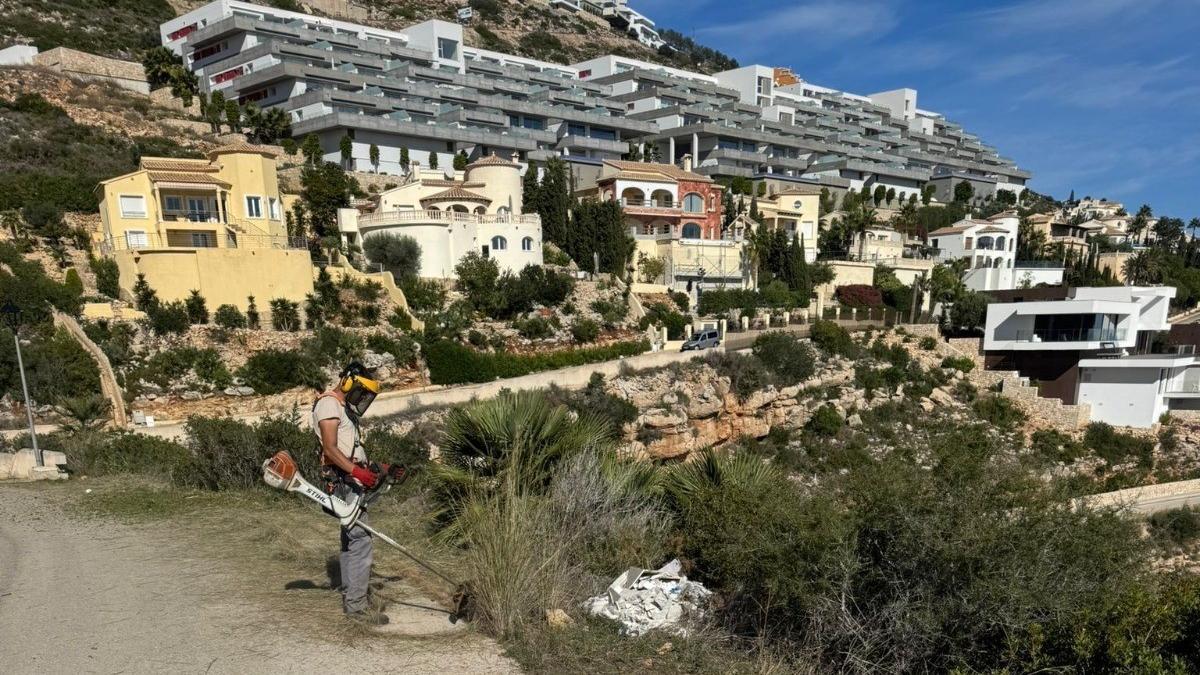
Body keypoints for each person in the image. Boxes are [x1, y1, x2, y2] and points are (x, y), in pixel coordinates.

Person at [312, 361, 386, 625]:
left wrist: (378, 469)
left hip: (351, 479)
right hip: (344, 480)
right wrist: (356, 472)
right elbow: (331, 449)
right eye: (361, 391)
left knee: (350, 538)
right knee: (360, 539)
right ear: (347, 382)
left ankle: (351, 595)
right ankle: (357, 607)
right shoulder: (329, 405)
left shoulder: (341, 408)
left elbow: (349, 447)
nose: (362, 398)